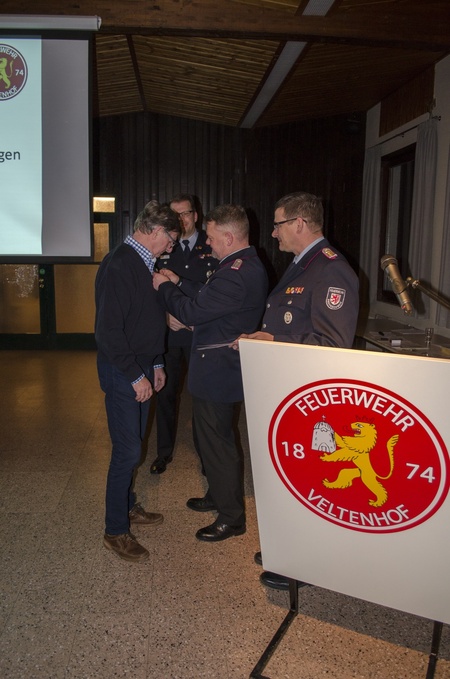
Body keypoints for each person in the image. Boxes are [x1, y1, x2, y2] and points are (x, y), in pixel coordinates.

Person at [238, 191, 359, 588]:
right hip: (291, 391)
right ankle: (287, 550)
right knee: (291, 477)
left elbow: (333, 344)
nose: (273, 233)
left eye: (278, 225)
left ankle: (306, 565)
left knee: (312, 480)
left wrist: (274, 341)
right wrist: (266, 338)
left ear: (300, 224)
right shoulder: (303, 263)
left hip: (313, 398)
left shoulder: (331, 270)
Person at [153, 204, 268, 541]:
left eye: (213, 238)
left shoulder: (236, 272)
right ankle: (218, 495)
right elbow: (208, 297)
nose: (208, 243)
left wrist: (163, 286)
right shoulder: (240, 264)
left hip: (219, 371)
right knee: (210, 439)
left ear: (229, 238)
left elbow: (193, 311)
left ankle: (231, 518)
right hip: (217, 368)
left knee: (218, 444)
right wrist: (179, 281)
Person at [95, 200, 181, 563]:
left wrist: (157, 361)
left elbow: (146, 318)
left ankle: (128, 506)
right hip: (123, 371)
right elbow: (108, 331)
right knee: (128, 451)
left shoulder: (145, 262)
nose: (171, 247)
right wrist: (134, 375)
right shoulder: (120, 264)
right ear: (157, 231)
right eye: (171, 240)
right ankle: (115, 530)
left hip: (143, 365)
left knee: (134, 446)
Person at [150, 194, 218, 475]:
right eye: (175, 215)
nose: (181, 219)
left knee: (203, 398)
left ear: (196, 215)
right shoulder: (164, 245)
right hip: (171, 334)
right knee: (165, 394)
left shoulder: (211, 244)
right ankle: (163, 453)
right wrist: (165, 317)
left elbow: (216, 291)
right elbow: (151, 289)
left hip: (202, 334)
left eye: (186, 213)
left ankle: (207, 457)